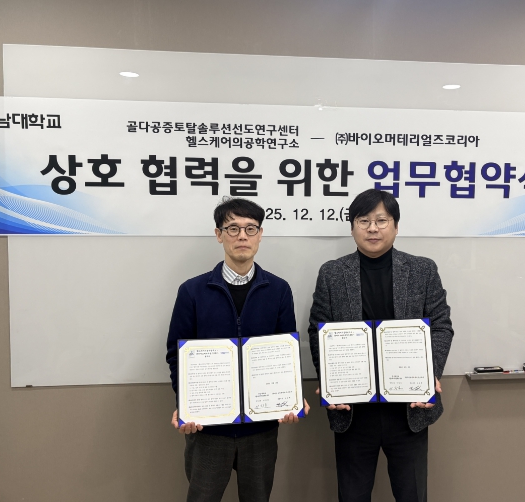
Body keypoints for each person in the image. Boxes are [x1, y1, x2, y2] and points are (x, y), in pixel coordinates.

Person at [308, 188, 454, 502]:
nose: (372, 228)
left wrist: (429, 374)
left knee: (412, 494)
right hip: (353, 411)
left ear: (396, 226)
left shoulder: (422, 270)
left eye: (381, 220)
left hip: (409, 408)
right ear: (352, 228)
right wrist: (329, 381)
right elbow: (318, 331)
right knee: (352, 495)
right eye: (364, 221)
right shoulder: (332, 273)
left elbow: (441, 325)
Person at [166, 197, 309, 502]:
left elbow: (286, 353)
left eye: (250, 228)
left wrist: (292, 397)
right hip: (208, 428)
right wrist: (186, 403)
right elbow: (176, 355)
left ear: (260, 234)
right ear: (219, 235)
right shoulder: (192, 291)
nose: (242, 236)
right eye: (233, 228)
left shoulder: (279, 290)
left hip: (260, 429)